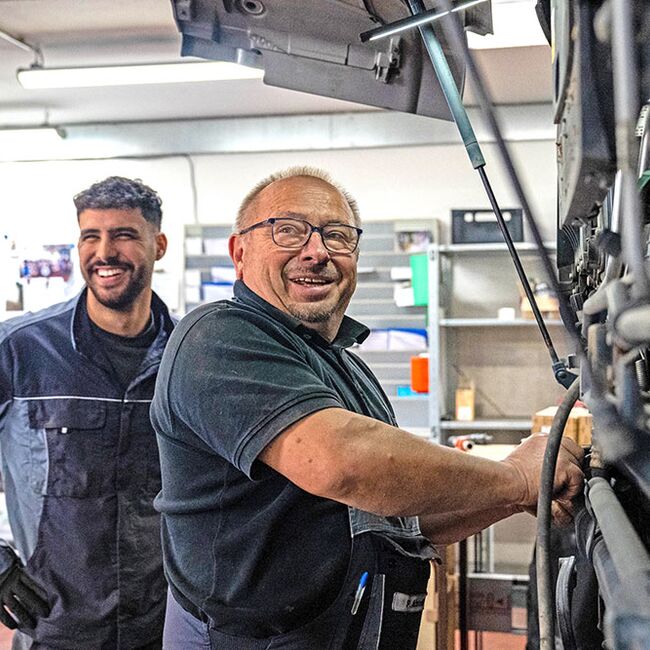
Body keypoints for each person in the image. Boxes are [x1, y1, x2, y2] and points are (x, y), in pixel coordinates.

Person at [151, 167, 584, 650]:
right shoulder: (217, 336)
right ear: (239, 253)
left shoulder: (347, 367)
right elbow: (342, 464)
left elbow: (402, 519)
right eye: (288, 230)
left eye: (337, 236)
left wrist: (518, 495)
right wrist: (517, 477)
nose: (316, 252)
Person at [0, 176, 174, 649]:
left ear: (158, 245)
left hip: (162, 628)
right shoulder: (20, 351)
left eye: (124, 235)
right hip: (54, 627)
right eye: (90, 236)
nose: (104, 252)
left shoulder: (187, 358)